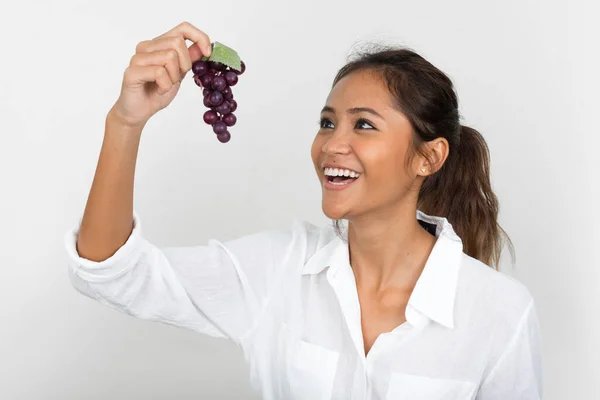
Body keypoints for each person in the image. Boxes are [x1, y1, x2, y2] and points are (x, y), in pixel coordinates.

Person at [64, 22, 542, 400]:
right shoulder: (278, 271)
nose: (333, 144)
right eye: (327, 122)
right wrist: (125, 122)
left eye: (364, 125)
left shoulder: (500, 312)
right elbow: (110, 273)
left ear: (428, 157)